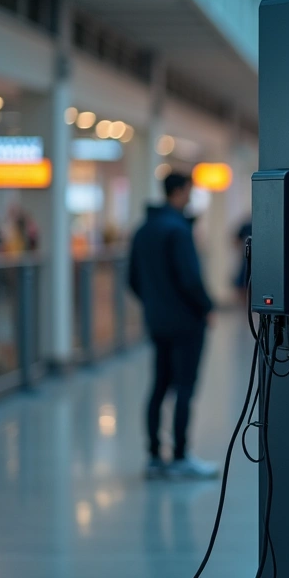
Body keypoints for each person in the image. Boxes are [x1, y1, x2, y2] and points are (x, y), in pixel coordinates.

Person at [128, 172, 218, 480]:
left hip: (157, 321)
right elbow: (190, 279)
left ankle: (154, 456)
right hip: (186, 323)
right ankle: (180, 456)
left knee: (159, 386)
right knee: (184, 387)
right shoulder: (178, 230)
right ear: (179, 192)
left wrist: (155, 303)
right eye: (189, 192)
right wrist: (207, 308)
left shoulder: (143, 230)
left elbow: (132, 279)